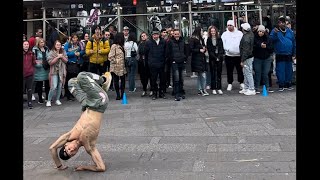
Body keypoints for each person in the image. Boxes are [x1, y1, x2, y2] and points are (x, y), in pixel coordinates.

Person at [49, 71, 112, 172]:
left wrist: (59, 166)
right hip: (100, 102)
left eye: (69, 149)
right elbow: (101, 167)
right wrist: (84, 167)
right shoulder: (89, 146)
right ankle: (104, 80)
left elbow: (52, 148)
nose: (72, 150)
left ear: (65, 145)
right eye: (72, 153)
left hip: (87, 104)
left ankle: (100, 84)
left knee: (71, 82)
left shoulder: (69, 136)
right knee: (81, 76)